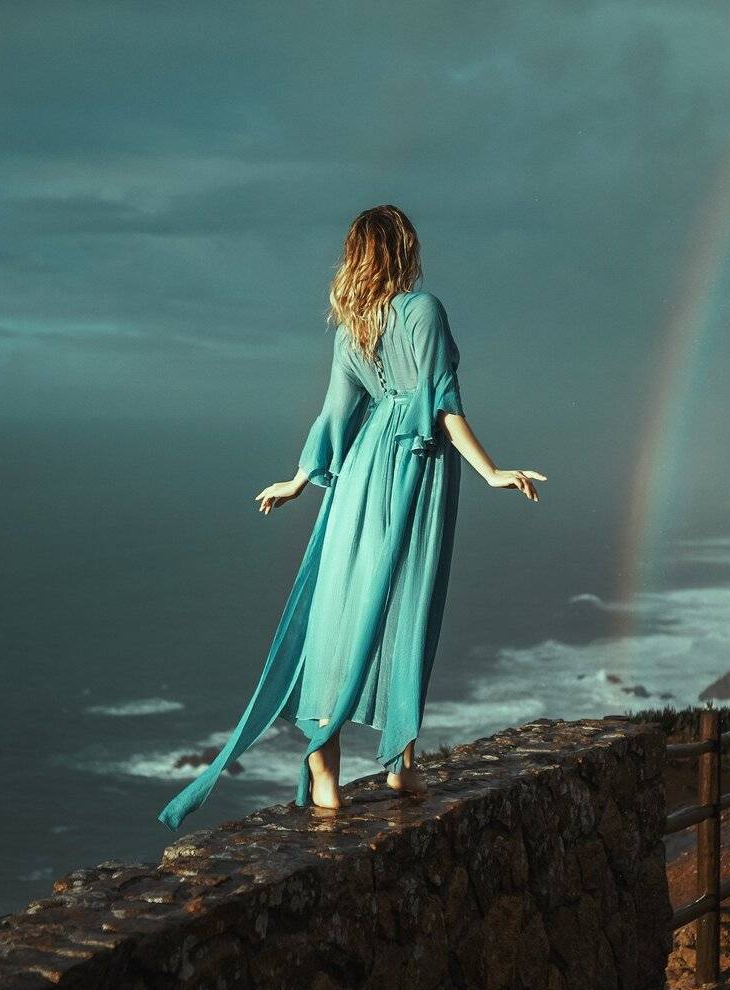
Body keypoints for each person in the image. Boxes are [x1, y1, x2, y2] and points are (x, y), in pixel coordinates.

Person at [156, 204, 545, 832]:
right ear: (403, 249)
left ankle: (326, 773)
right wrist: (493, 470)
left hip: (360, 474)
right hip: (414, 470)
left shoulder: (350, 328)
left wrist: (299, 479)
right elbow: (442, 403)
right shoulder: (423, 310)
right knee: (406, 604)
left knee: (335, 611)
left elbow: (335, 414)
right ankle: (402, 763)